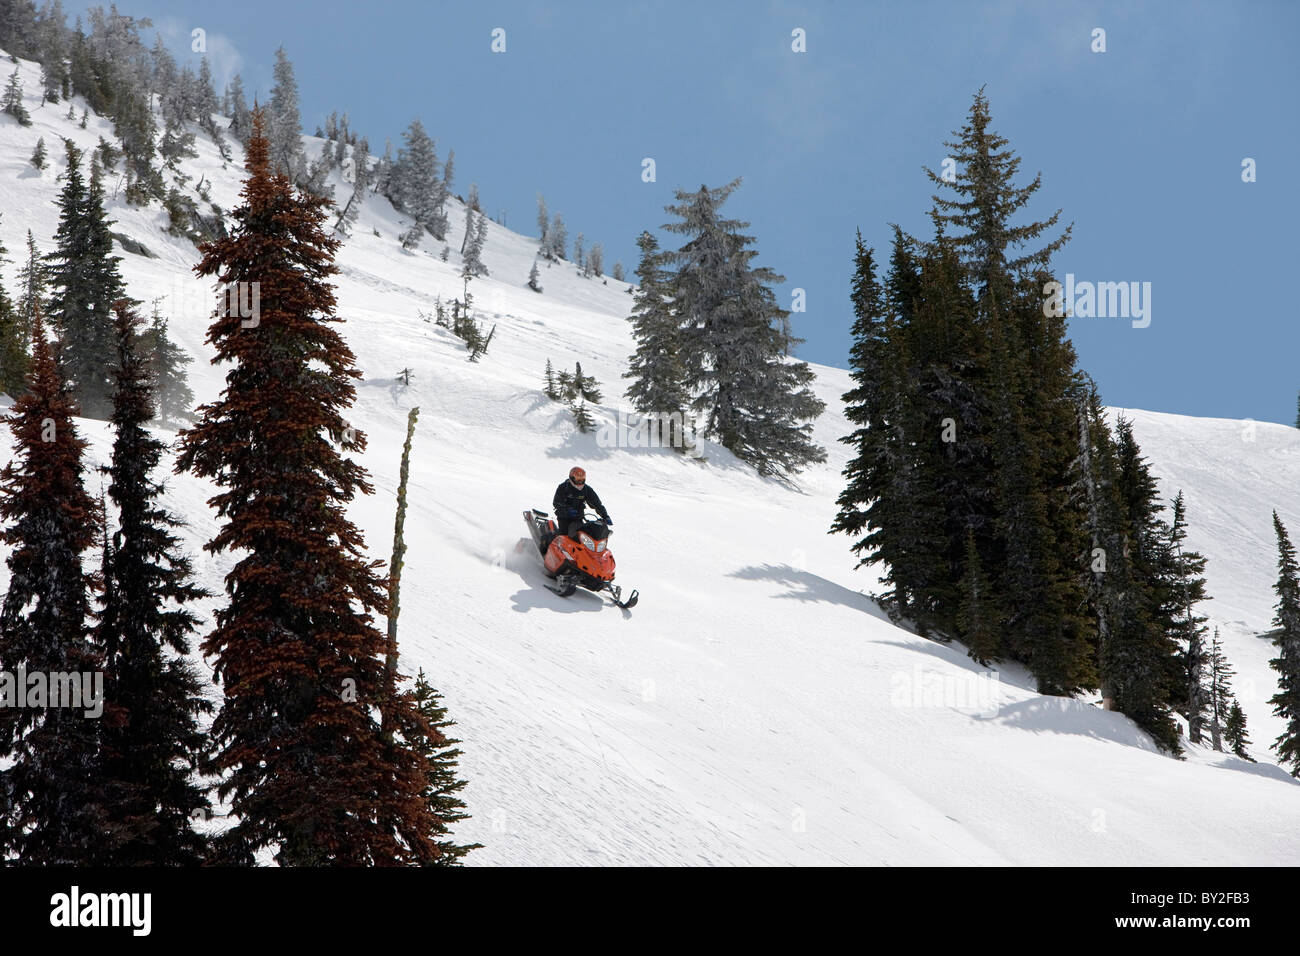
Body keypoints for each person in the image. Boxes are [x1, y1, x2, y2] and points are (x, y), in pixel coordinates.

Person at [552, 466, 611, 540]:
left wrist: (605, 516)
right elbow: (557, 503)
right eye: (577, 479)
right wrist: (567, 510)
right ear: (571, 478)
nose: (580, 482)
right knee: (564, 535)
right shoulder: (563, 487)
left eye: (582, 479)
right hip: (564, 517)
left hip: (578, 518)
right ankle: (554, 544)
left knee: (582, 536)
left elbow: (597, 504)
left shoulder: (587, 490)